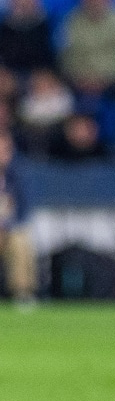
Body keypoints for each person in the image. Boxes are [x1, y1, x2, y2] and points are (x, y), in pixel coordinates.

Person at [0, 132, 38, 309]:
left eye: (6, 149)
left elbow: (22, 213)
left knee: (21, 240)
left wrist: (6, 228)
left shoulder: (16, 178)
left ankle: (22, 294)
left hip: (8, 232)